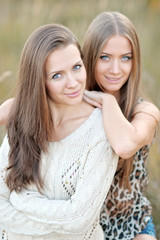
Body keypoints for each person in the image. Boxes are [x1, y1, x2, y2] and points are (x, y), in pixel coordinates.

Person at [0, 23, 118, 240]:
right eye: (57, 76)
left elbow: (78, 221)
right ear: (39, 81)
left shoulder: (100, 131)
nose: (73, 83)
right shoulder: (22, 120)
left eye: (76, 67)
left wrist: (21, 201)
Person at [82, 11, 160, 240]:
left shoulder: (145, 112)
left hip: (133, 225)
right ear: (90, 57)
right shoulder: (76, 105)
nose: (116, 69)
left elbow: (125, 146)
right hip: (83, 229)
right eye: (105, 57)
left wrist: (106, 100)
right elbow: (20, 106)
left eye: (126, 57)